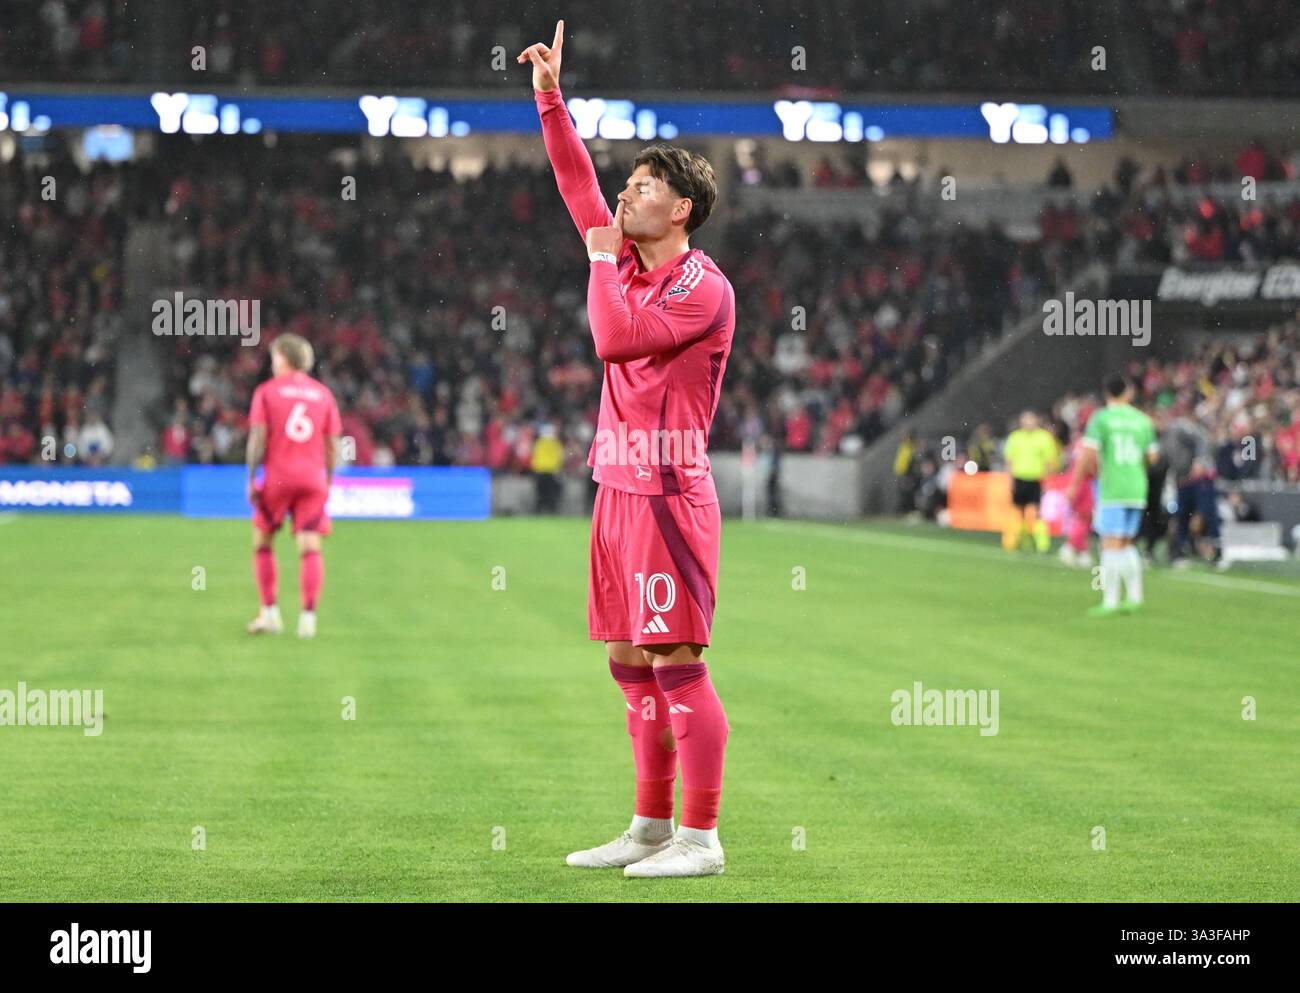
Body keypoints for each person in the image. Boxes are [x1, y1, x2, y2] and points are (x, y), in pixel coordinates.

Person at [521, 20, 735, 878]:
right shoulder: (630, 260)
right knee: (628, 662)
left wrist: (602, 261)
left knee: (676, 662)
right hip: (616, 487)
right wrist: (550, 99)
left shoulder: (700, 287)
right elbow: (575, 179)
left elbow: (612, 341)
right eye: (628, 183)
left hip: (668, 492)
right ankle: (649, 825)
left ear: (679, 208)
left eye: (642, 187)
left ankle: (702, 838)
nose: (623, 195)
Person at [245, 334, 341, 639]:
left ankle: (270, 613)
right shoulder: (324, 395)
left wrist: (250, 477)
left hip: (279, 477)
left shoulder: (267, 392)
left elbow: (258, 438)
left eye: (274, 358)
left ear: (285, 359)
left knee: (262, 541)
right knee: (310, 546)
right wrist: (328, 478)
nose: (272, 364)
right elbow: (333, 444)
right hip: (313, 478)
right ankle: (308, 619)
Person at [1067, 375, 1159, 616]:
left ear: (1107, 394)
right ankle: (1135, 597)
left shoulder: (1101, 419)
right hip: (1137, 488)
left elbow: (1087, 455)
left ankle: (1111, 601)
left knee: (1110, 544)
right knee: (1127, 542)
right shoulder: (1143, 421)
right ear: (1128, 394)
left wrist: (1074, 484)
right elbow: (1152, 458)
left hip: (1113, 489)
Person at [1002, 411, 1059, 553]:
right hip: (1019, 478)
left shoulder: (1044, 438)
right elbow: (1009, 460)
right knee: (1018, 512)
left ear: (1036, 421)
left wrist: (1047, 479)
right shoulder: (1015, 437)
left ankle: (1042, 545)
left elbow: (1050, 461)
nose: (1028, 422)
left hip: (1036, 479)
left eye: (1031, 419)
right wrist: (1010, 480)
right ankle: (1018, 542)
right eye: (1025, 420)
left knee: (1037, 512)